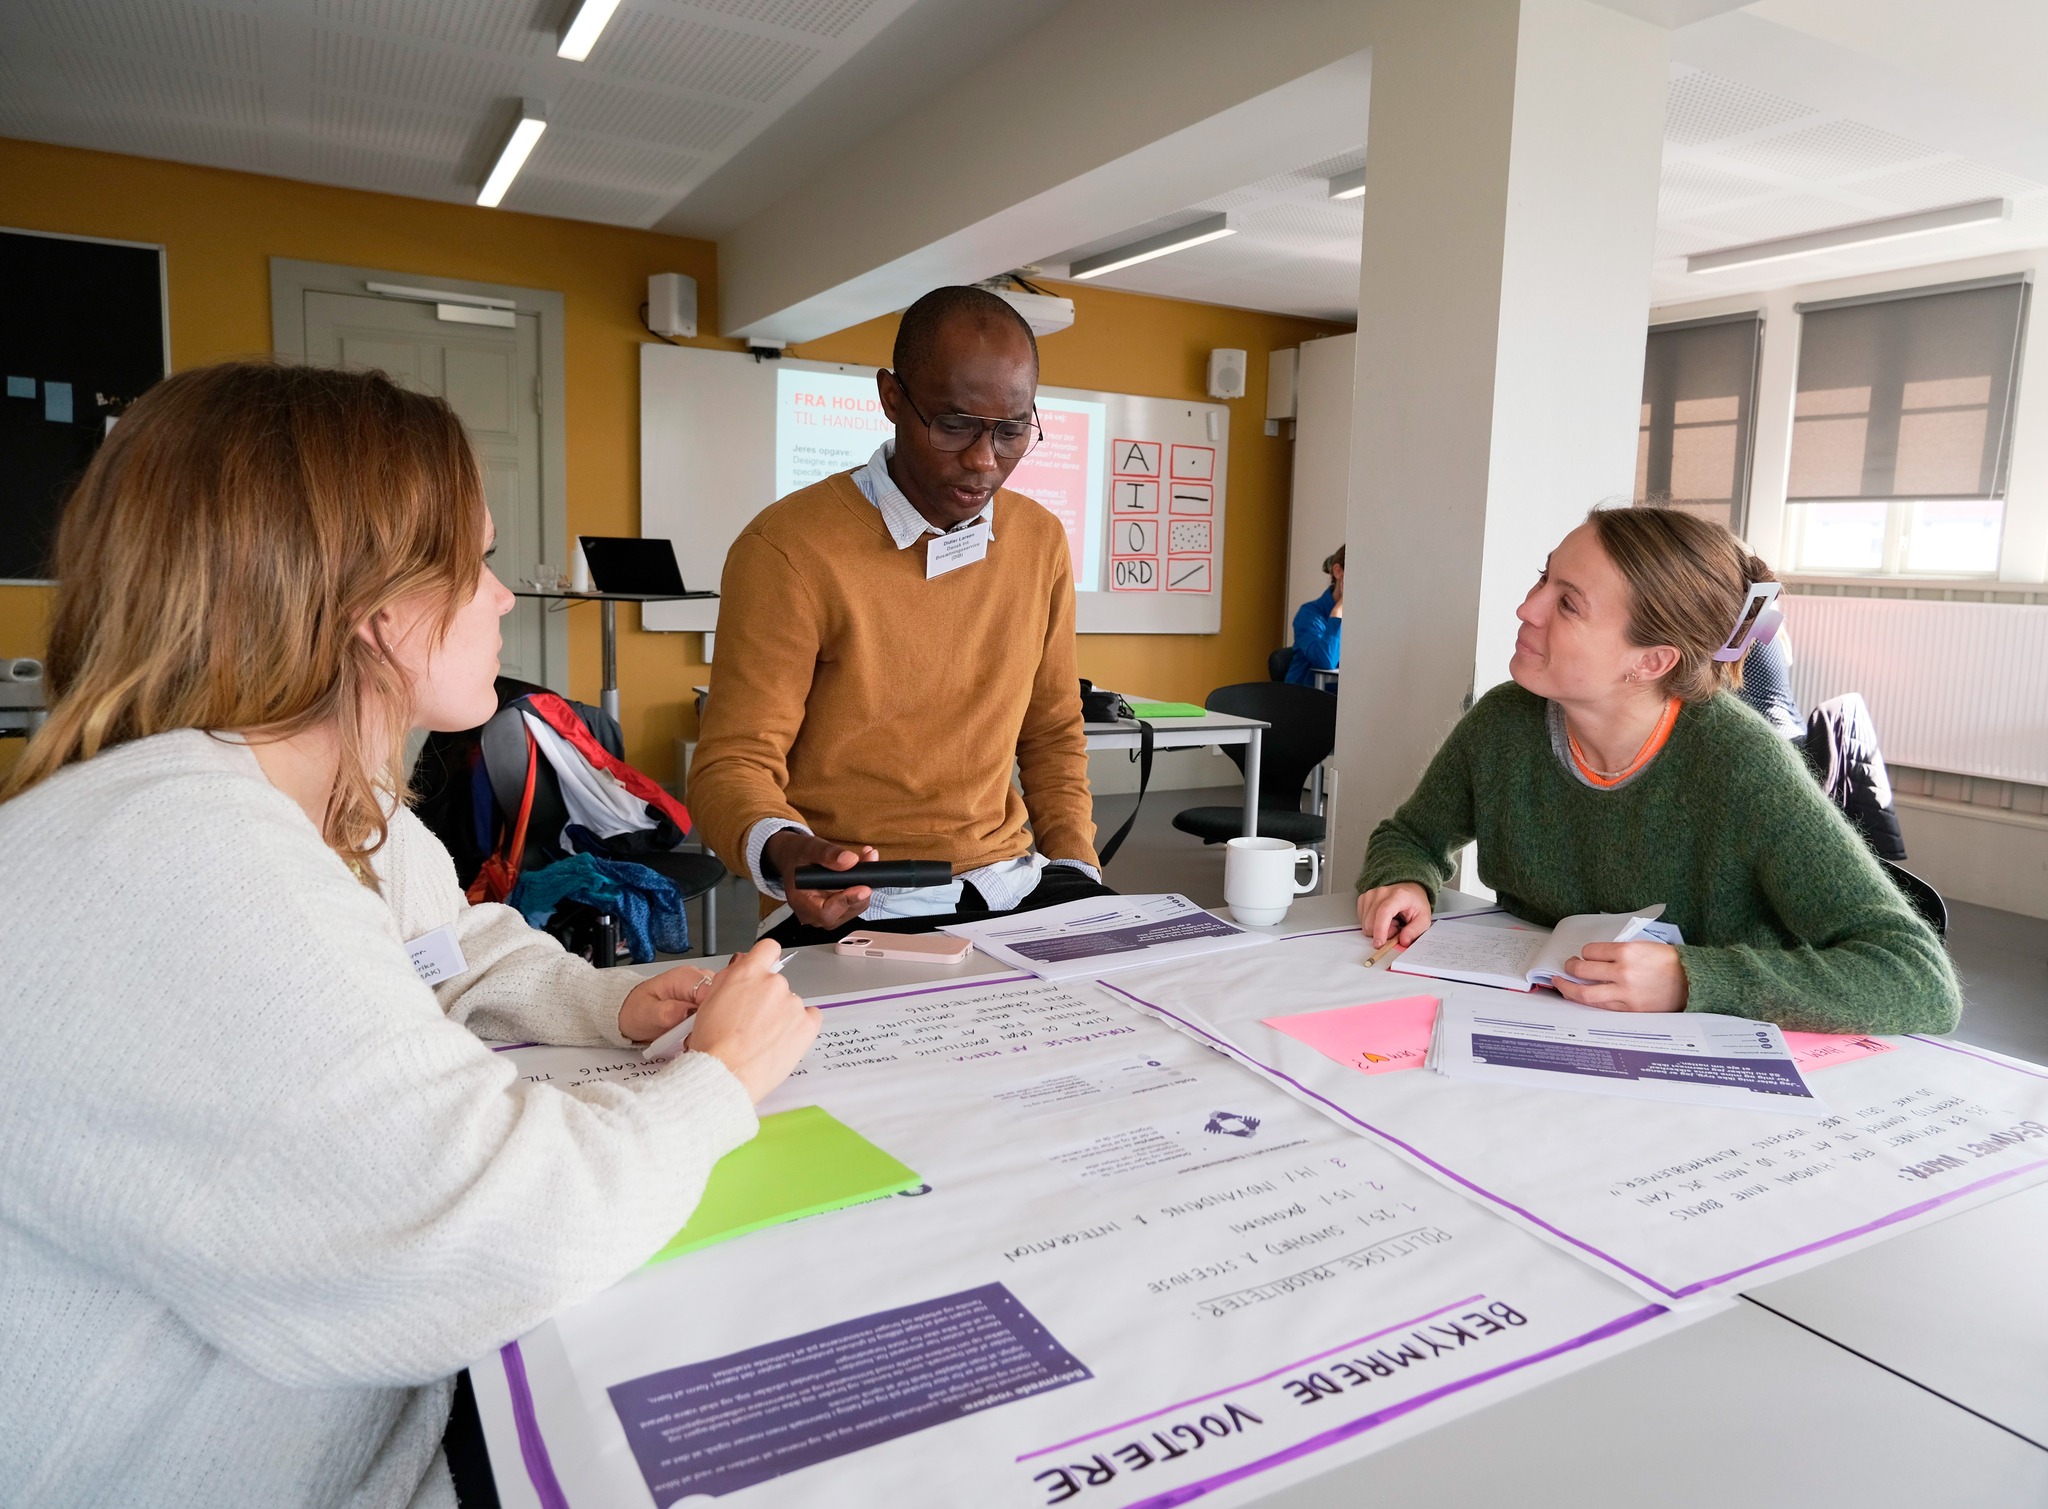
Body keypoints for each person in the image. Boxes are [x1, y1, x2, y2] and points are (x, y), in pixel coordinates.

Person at [0, 362, 820, 1507]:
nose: (500, 599)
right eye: (475, 564)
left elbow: (453, 942)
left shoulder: (323, 810)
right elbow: (497, 1234)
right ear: (374, 609)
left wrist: (601, 1004)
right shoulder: (176, 864)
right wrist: (719, 1083)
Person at [1354, 505, 1960, 1036]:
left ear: (1652, 661)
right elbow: (1412, 837)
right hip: (1537, 1032)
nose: (1526, 607)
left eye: (1567, 603)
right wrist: (1404, 878)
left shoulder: (1740, 764)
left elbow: (1918, 977)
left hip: (1703, 1073)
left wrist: (1692, 980)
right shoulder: (1504, 722)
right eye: (1544, 578)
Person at [690, 286, 1108, 947]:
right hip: (862, 900)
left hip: (1014, 883)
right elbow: (733, 762)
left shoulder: (1040, 541)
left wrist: (1076, 866)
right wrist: (788, 849)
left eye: (1010, 431)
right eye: (954, 424)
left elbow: (1052, 730)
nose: (982, 460)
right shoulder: (788, 549)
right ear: (891, 397)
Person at [1284, 545, 1343, 686]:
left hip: (1346, 702)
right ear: (1338, 571)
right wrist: (1338, 612)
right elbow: (1326, 660)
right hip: (1305, 701)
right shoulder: (1309, 614)